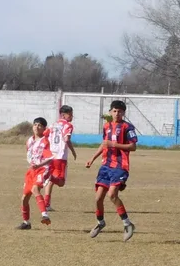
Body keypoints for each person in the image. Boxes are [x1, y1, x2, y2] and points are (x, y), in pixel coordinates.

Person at [86, 99, 137, 241]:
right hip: (105, 165)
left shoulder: (128, 127)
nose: (117, 113)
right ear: (110, 112)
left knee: (112, 195)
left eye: (120, 111)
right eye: (114, 111)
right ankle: (100, 222)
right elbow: (104, 144)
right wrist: (93, 158)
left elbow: (133, 147)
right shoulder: (107, 126)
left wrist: (114, 144)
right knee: (98, 198)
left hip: (120, 166)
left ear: (124, 113)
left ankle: (127, 224)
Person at [16, 117, 52, 230]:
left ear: (44, 128)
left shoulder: (45, 141)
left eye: (40, 125)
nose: (37, 127)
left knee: (35, 189)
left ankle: (44, 215)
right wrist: (33, 165)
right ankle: (26, 222)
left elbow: (50, 158)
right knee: (24, 198)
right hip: (32, 170)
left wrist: (40, 165)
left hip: (42, 169)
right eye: (35, 124)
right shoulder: (30, 141)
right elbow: (29, 155)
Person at [42, 104, 76, 211]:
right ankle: (48, 176)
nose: (71, 117)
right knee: (60, 182)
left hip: (50, 156)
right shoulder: (68, 126)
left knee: (51, 181)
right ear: (63, 115)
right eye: (70, 114)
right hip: (60, 157)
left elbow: (44, 135)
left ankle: (46, 204)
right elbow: (66, 139)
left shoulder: (52, 125)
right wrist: (73, 151)